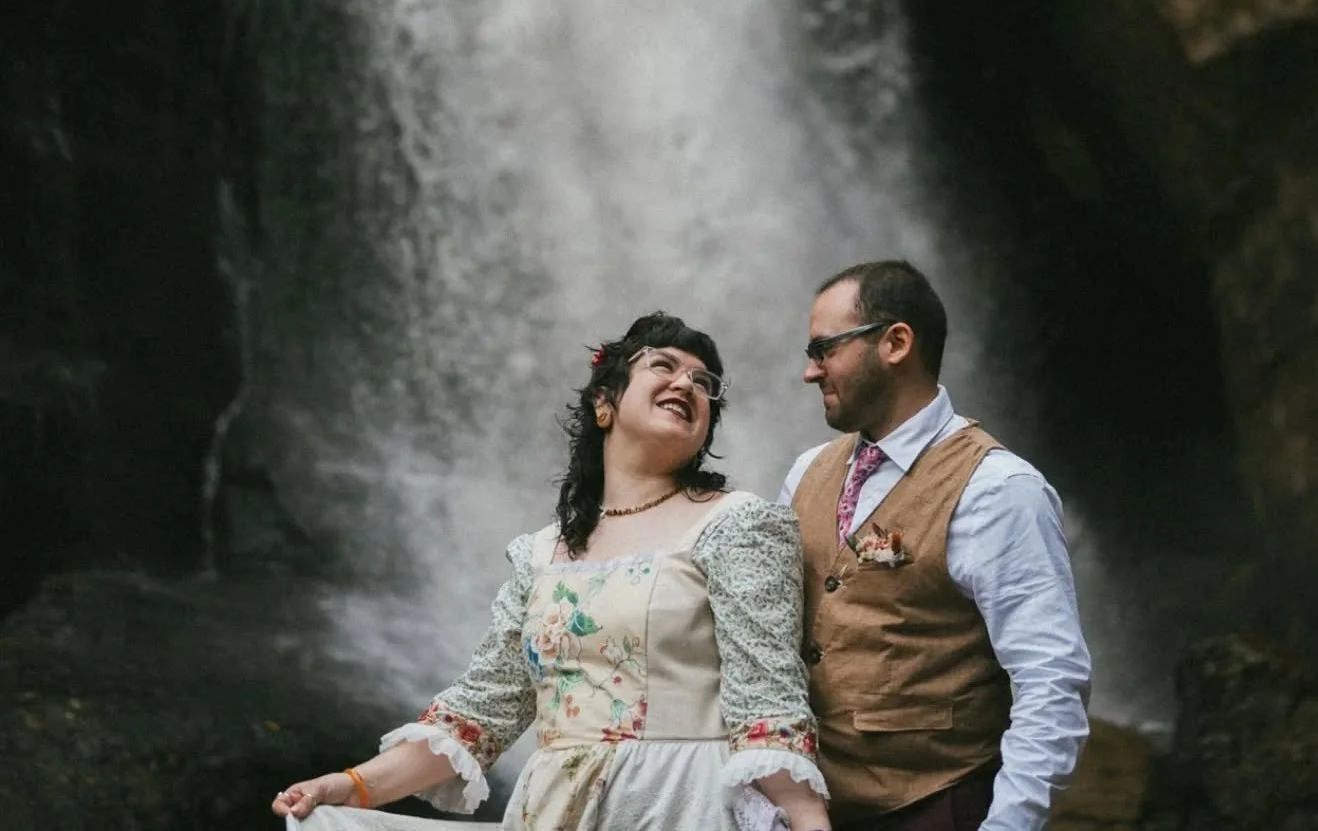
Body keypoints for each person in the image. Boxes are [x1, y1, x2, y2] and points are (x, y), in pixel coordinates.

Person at [273, 312, 831, 831]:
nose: (688, 384)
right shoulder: (539, 555)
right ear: (603, 403)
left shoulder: (738, 525)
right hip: (554, 809)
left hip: (680, 802)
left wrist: (808, 821)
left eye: (704, 383)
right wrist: (350, 786)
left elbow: (768, 706)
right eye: (663, 365)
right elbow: (480, 714)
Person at [779, 262, 1091, 831]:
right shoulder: (805, 475)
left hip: (941, 806)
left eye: (824, 349)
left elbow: (1051, 678)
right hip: (811, 812)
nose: (809, 371)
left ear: (896, 343)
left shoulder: (998, 488)